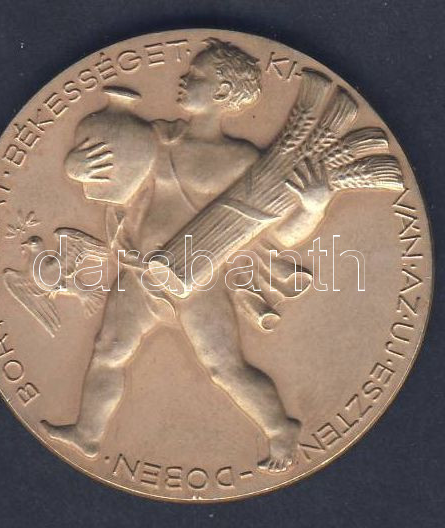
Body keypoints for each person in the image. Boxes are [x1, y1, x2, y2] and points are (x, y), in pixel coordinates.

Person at [42, 38, 333, 473]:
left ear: (222, 92)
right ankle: (88, 434)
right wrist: (76, 168)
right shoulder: (159, 139)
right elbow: (110, 175)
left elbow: (283, 236)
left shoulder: (244, 162)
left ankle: (280, 429)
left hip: (198, 284)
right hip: (140, 273)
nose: (182, 79)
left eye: (195, 75)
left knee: (223, 367)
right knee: (108, 352)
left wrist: (314, 206)